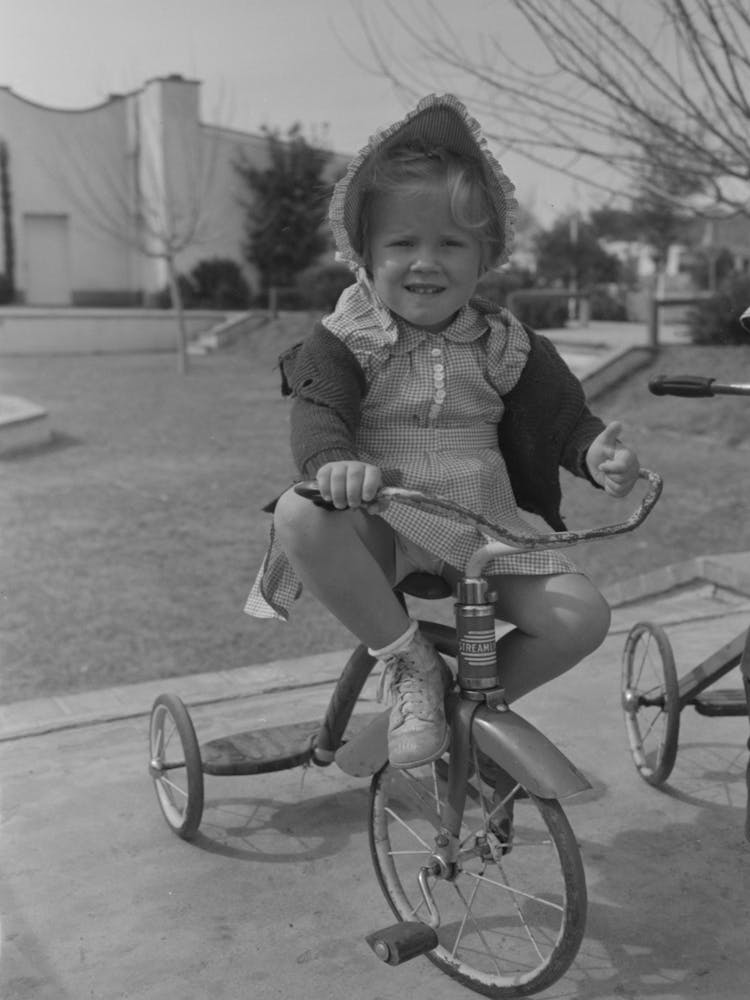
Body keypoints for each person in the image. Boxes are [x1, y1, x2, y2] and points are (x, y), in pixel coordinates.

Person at [245, 94, 640, 775]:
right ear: (363, 253)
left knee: (582, 617)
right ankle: (408, 663)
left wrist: (594, 450)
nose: (426, 261)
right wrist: (336, 462)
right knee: (297, 515)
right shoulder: (346, 340)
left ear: (486, 255)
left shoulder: (504, 342)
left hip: (483, 523)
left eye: (451, 243)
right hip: (384, 515)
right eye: (402, 243)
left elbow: (562, 417)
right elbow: (320, 412)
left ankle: (464, 710)